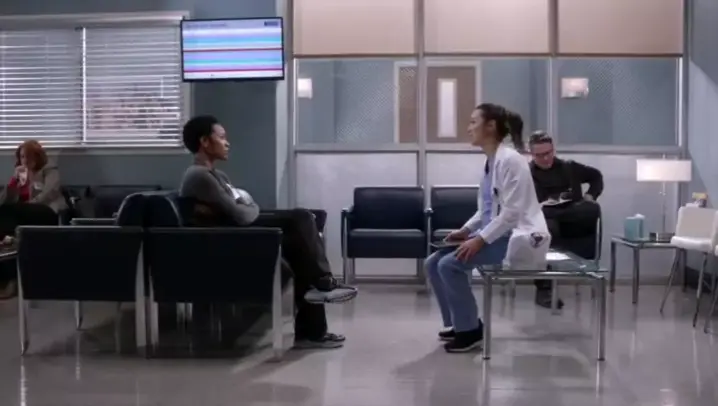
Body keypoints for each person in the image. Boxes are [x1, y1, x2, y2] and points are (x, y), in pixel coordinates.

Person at [178, 115, 358, 350]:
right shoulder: (199, 176)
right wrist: (248, 206)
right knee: (301, 218)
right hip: (229, 242)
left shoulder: (218, 176)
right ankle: (323, 283)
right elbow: (242, 213)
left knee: (305, 235)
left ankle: (313, 322)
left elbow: (243, 206)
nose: (227, 143)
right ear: (204, 141)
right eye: (221, 137)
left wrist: (246, 206)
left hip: (238, 233)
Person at [425, 104, 550, 353]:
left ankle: (470, 331)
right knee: (433, 263)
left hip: (515, 237)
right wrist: (465, 231)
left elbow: (512, 213)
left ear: (491, 126)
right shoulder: (491, 162)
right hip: (496, 233)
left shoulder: (511, 161)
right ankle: (459, 323)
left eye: (474, 122)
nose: (469, 128)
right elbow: (486, 209)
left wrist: (479, 240)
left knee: (449, 265)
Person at [528, 131, 603, 308]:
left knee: (591, 209)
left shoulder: (569, 167)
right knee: (546, 227)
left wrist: (591, 195)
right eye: (539, 155)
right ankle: (545, 288)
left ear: (553, 150)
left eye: (548, 153)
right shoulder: (526, 173)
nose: (545, 158)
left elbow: (596, 176)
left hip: (572, 217)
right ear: (532, 154)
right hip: (545, 220)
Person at [0, 140, 67, 299]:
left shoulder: (49, 170)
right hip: (23, 215)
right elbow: (4, 200)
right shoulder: (20, 173)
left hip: (46, 212)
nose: (25, 160)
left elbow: (50, 192)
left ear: (37, 157)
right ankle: (7, 274)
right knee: (4, 214)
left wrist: (30, 202)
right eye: (22, 157)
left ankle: (10, 278)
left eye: (28, 157)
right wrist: (13, 183)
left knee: (9, 214)